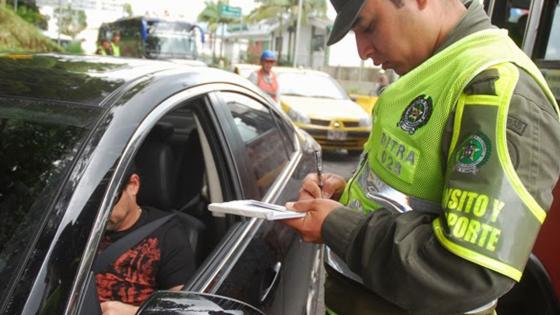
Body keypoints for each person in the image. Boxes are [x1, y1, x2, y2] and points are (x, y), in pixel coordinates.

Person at [280, 0, 560, 313]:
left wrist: (339, 225)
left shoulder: (496, 87)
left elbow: (466, 272)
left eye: (368, 26)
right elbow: (416, 191)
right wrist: (348, 197)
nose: (362, 51)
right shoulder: (431, 70)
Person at [95, 167, 195, 315]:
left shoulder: (168, 235)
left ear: (133, 185)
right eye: (93, 203)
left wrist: (135, 313)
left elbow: (184, 311)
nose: (99, 212)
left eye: (109, 201)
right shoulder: (77, 227)